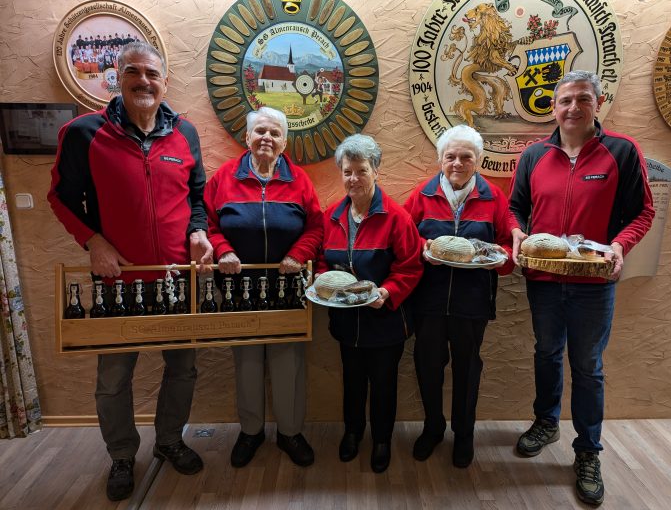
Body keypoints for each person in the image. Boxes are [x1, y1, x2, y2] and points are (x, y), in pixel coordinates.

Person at [47, 41, 213, 501]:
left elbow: (197, 197)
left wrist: (199, 232)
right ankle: (122, 454)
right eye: (133, 72)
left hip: (178, 280)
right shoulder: (84, 133)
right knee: (113, 378)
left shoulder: (185, 133)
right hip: (118, 284)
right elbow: (60, 197)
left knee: (183, 369)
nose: (144, 81)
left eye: (152, 73)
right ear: (116, 78)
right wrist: (93, 241)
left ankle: (169, 441)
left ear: (165, 82)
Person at [509, 70, 654, 506]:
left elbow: (643, 211)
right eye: (565, 100)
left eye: (583, 99)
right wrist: (516, 233)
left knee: (588, 367)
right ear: (553, 107)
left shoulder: (621, 151)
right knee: (546, 353)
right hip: (543, 280)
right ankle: (546, 422)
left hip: (593, 283)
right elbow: (515, 207)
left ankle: (588, 451)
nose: (573, 107)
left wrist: (620, 244)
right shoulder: (534, 155)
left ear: (598, 102)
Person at [204, 106, 323, 468]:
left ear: (284, 142)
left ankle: (290, 432)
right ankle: (251, 431)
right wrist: (222, 250)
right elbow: (207, 224)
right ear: (247, 137)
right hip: (240, 290)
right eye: (260, 131)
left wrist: (298, 254)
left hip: (289, 289)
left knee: (289, 364)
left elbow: (316, 228)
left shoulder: (300, 180)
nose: (266, 138)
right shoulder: (223, 178)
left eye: (274, 133)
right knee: (248, 363)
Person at [404, 125, 517, 468]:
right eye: (450, 156)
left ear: (478, 160)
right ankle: (433, 427)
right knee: (428, 365)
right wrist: (423, 249)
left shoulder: (493, 197)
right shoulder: (421, 195)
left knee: (467, 369)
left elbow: (509, 247)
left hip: (473, 302)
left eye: (466, 156)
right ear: (440, 159)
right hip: (429, 300)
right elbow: (403, 241)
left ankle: (464, 434)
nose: (457, 163)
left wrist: (498, 259)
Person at [317, 134, 423, 473]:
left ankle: (381, 440)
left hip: (386, 322)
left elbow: (410, 266)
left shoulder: (397, 217)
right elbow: (321, 263)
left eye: (361, 170)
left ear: (376, 170)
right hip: (346, 322)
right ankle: (352, 432)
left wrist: (387, 292)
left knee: (383, 384)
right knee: (351, 380)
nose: (354, 179)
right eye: (347, 171)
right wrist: (323, 283)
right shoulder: (331, 216)